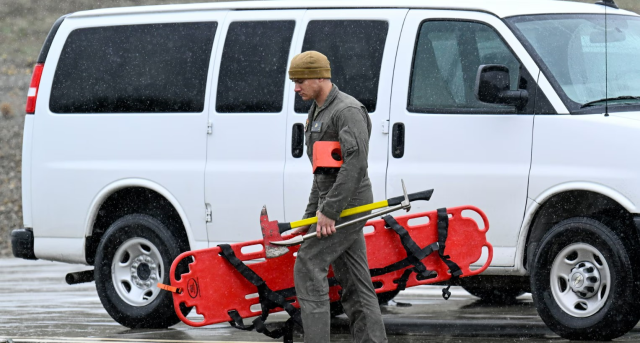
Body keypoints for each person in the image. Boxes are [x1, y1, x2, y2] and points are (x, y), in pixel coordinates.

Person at [288, 50, 388, 343]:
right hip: (335, 203)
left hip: (349, 204)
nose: (296, 88)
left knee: (308, 264)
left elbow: (355, 166)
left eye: (300, 81)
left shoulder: (347, 111)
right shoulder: (318, 109)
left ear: (321, 77)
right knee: (355, 281)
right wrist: (308, 218)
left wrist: (330, 211)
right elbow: (321, 175)